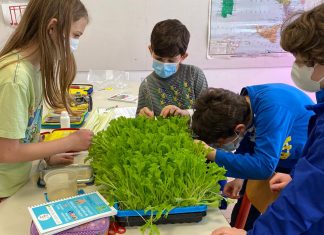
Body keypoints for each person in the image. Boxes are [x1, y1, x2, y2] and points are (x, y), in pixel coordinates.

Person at [211, 3, 324, 235]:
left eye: (307, 61)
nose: (303, 69)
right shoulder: (250, 100)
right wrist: (296, 179)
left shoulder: (274, 108)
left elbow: (301, 204)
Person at [0, 0, 93, 200]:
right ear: (52, 28)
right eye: (76, 35)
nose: (75, 44)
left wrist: (46, 154)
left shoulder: (33, 69)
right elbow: (7, 152)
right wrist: (69, 141)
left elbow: (24, 131)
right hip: (4, 190)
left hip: (18, 182)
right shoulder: (15, 79)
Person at [191, 83, 314, 229]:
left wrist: (212, 153)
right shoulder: (243, 106)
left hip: (302, 165)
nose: (220, 147)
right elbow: (252, 138)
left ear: (239, 129)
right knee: (245, 213)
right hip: (271, 157)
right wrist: (240, 177)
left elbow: (263, 168)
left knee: (285, 216)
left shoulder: (273, 110)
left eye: (220, 143)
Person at [136, 19, 208, 118]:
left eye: (171, 61)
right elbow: (139, 117)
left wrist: (185, 114)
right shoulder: (147, 85)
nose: (164, 64)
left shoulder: (194, 75)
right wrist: (141, 117)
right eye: (159, 58)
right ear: (150, 50)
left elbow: (208, 112)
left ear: (183, 56)